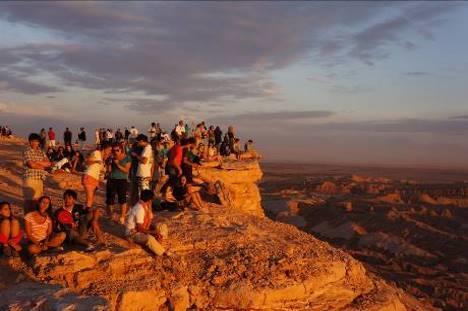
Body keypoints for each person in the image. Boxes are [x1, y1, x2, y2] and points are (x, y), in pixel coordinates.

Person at [82, 142, 112, 243]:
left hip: (94, 179)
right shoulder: (97, 153)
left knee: (90, 201)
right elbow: (87, 161)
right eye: (109, 150)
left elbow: (100, 172)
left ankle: (86, 223)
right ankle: (86, 224)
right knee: (89, 201)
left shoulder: (103, 159)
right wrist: (97, 161)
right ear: (105, 149)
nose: (110, 152)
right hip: (89, 176)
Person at [125, 190, 168, 256]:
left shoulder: (145, 205)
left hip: (142, 227)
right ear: (149, 200)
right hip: (133, 233)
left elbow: (149, 220)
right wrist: (153, 232)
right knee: (150, 239)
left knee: (162, 226)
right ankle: (162, 252)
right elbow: (140, 229)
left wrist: (154, 228)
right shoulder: (139, 209)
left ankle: (160, 241)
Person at [23, 133, 52, 213]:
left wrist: (36, 162)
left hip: (40, 178)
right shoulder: (27, 151)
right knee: (29, 201)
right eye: (33, 141)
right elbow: (31, 165)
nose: (35, 143)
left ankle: (34, 221)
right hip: (30, 178)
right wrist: (42, 165)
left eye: (36, 141)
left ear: (39, 142)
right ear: (30, 142)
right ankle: (27, 220)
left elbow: (49, 163)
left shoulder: (41, 151)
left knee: (38, 201)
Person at [106, 144, 131, 224]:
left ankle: (122, 217)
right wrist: (109, 163)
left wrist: (117, 164)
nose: (115, 152)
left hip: (122, 180)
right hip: (111, 179)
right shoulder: (111, 158)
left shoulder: (127, 158)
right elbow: (109, 170)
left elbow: (126, 170)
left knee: (122, 199)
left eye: (117, 150)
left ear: (121, 150)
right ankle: (111, 217)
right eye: (113, 150)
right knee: (110, 200)